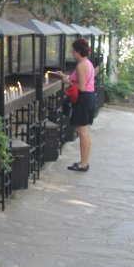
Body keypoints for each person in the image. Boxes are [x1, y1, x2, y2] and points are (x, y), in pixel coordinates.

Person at [54, 37, 96, 172]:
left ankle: (84, 163)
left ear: (78, 51)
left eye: (73, 51)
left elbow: (81, 87)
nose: (72, 53)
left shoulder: (80, 66)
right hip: (89, 98)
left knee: (83, 132)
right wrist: (64, 76)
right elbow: (76, 79)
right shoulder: (87, 63)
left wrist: (69, 82)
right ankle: (84, 161)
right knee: (84, 131)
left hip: (83, 99)